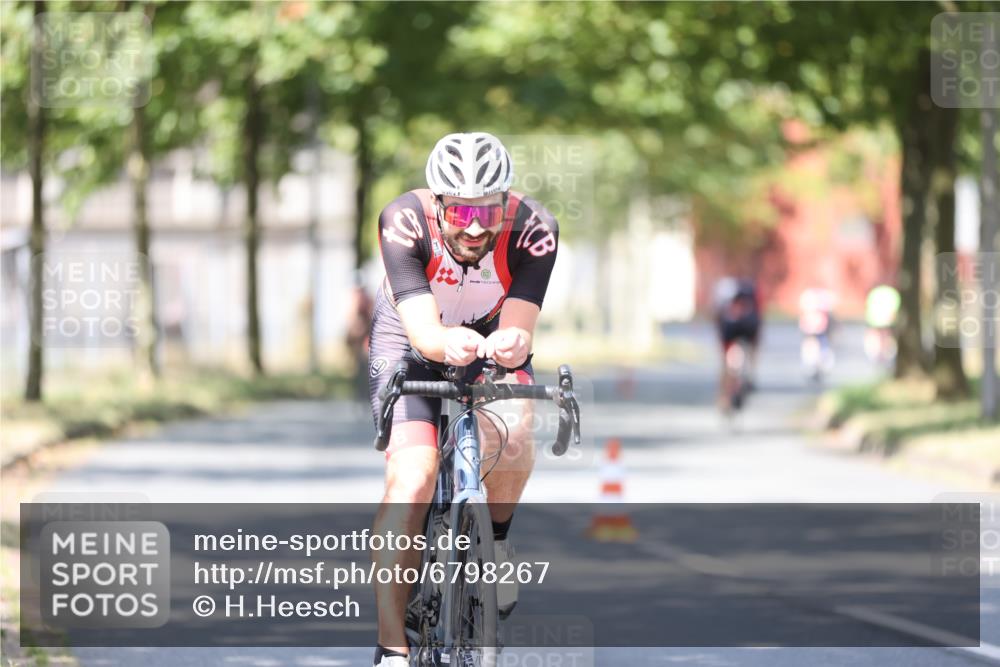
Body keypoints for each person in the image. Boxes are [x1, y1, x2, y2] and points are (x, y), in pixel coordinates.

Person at [367, 132, 559, 667]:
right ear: (439, 204)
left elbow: (521, 329)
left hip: (488, 336)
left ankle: (494, 543)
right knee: (413, 477)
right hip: (411, 340)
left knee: (517, 436)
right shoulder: (402, 220)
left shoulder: (535, 229)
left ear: (505, 203)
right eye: (462, 210)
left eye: (487, 210)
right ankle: (391, 648)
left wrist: (513, 343)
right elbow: (425, 332)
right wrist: (445, 342)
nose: (475, 226)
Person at [712, 276, 762, 408]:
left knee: (727, 365)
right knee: (730, 364)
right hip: (737, 329)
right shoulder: (749, 288)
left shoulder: (726, 288)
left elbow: (717, 314)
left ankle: (726, 397)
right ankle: (745, 381)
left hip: (737, 329)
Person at [864, 283, 900, 364]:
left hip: (876, 321)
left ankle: (880, 355)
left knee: (880, 338)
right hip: (885, 321)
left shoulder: (874, 292)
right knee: (886, 337)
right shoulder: (891, 292)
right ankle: (885, 355)